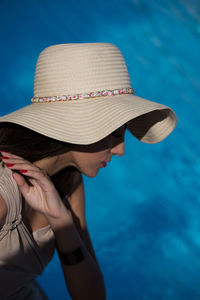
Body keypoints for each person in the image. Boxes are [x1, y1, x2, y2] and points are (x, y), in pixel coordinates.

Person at [0, 43, 177, 300]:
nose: (120, 150)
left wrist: (62, 221)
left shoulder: (70, 184)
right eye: (114, 133)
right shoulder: (4, 198)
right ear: (74, 125)